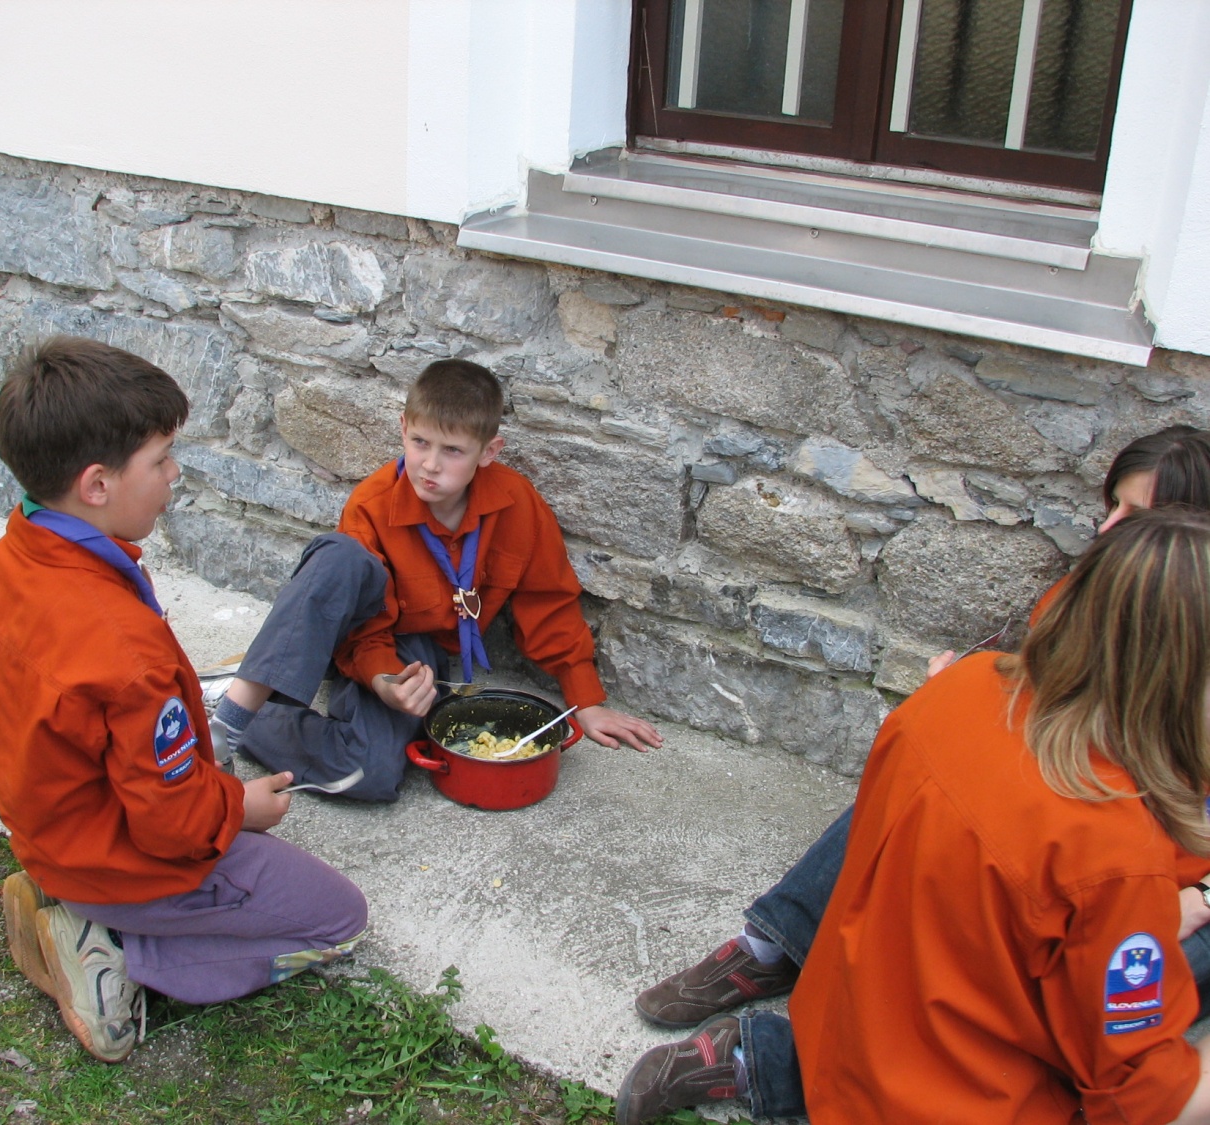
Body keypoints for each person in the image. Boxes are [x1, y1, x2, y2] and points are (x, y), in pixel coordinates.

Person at [619, 506, 1210, 1124]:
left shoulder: (964, 685)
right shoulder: (1113, 852)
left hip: (848, 1028)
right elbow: (1145, 1100)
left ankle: (761, 1020)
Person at [0, 337, 368, 1063]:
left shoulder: (8, 562)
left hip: (50, 828)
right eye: (161, 459)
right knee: (339, 920)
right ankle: (113, 951)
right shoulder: (121, 645)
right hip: (119, 863)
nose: (174, 474)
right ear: (98, 484)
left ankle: (71, 900)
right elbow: (173, 826)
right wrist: (240, 807)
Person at [203, 358, 662, 802]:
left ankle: (264, 707)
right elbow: (365, 628)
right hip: (360, 637)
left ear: (489, 452)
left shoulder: (516, 504)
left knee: (369, 774)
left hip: (414, 650)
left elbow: (550, 602)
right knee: (340, 555)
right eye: (420, 442)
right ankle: (237, 708)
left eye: (453, 450)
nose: (430, 465)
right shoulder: (372, 504)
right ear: (403, 427)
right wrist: (380, 679)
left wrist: (585, 700)